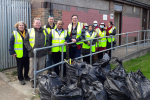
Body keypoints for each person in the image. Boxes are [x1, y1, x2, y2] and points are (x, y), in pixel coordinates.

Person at [24, 17, 49, 88]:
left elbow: (47, 41)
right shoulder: (29, 31)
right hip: (33, 54)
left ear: (41, 24)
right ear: (33, 23)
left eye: (39, 23)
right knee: (32, 68)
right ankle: (33, 80)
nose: (38, 24)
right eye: (36, 23)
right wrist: (30, 49)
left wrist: (45, 49)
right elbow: (26, 41)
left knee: (41, 67)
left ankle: (39, 79)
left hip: (42, 54)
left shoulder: (44, 31)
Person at [9, 21, 30, 85]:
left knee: (27, 66)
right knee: (20, 67)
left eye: (22, 25)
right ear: (17, 26)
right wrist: (12, 52)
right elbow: (11, 44)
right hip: (19, 54)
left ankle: (26, 76)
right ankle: (20, 79)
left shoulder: (28, 33)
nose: (21, 26)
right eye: (20, 25)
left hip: (27, 53)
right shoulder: (15, 34)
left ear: (24, 26)